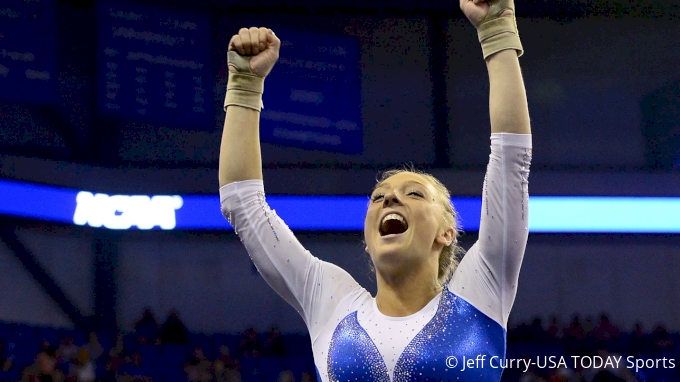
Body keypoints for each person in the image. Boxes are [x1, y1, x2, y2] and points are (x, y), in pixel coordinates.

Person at [218, 0, 531, 380]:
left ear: (446, 233)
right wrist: (245, 86)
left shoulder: (480, 291)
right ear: (367, 239)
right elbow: (243, 204)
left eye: (414, 194)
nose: (389, 199)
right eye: (378, 196)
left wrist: (497, 29)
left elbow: (511, 160)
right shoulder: (330, 301)